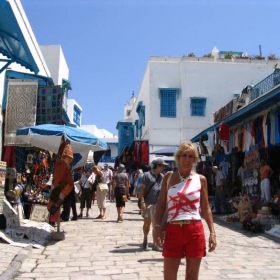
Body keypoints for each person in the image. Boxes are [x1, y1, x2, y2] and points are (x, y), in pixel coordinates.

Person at [154, 142, 216, 280]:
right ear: (178, 157)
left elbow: (206, 208)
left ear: (195, 159)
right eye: (184, 155)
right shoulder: (168, 178)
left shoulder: (201, 179)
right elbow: (161, 205)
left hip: (194, 231)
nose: (187, 159)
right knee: (169, 277)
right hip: (173, 230)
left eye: (191, 156)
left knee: (192, 277)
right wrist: (157, 228)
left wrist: (212, 232)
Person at [139, 158, 168, 251]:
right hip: (148, 203)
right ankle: (145, 238)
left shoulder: (162, 177)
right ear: (158, 166)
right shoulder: (146, 176)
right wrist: (142, 201)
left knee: (156, 224)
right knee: (147, 223)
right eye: (163, 166)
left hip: (158, 204)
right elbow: (141, 190)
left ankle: (155, 244)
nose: (164, 168)